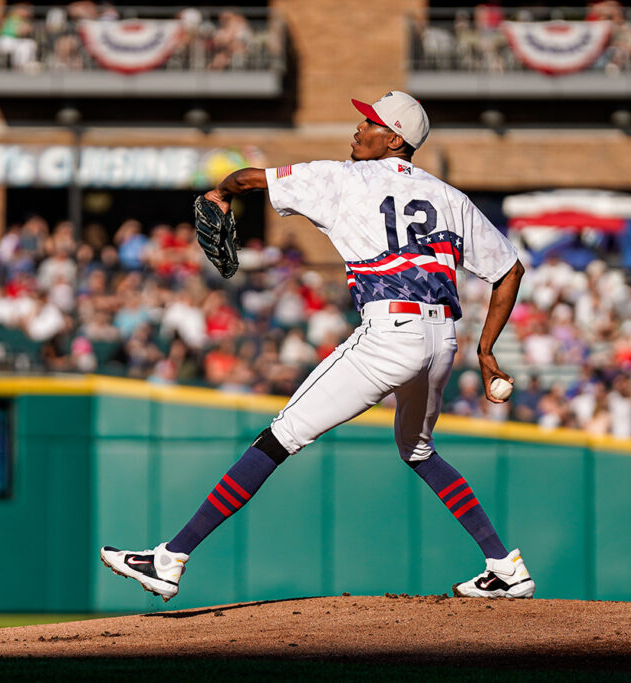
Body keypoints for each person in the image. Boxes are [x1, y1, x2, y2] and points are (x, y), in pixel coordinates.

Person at [101, 90, 534, 601]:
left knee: (281, 434)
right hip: (443, 340)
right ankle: (504, 567)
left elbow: (246, 178)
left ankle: (169, 559)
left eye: (369, 122)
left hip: (389, 334)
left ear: (394, 138)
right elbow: (509, 270)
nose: (358, 128)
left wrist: (221, 193)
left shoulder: (342, 178)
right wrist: (486, 353)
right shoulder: (450, 197)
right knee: (418, 449)